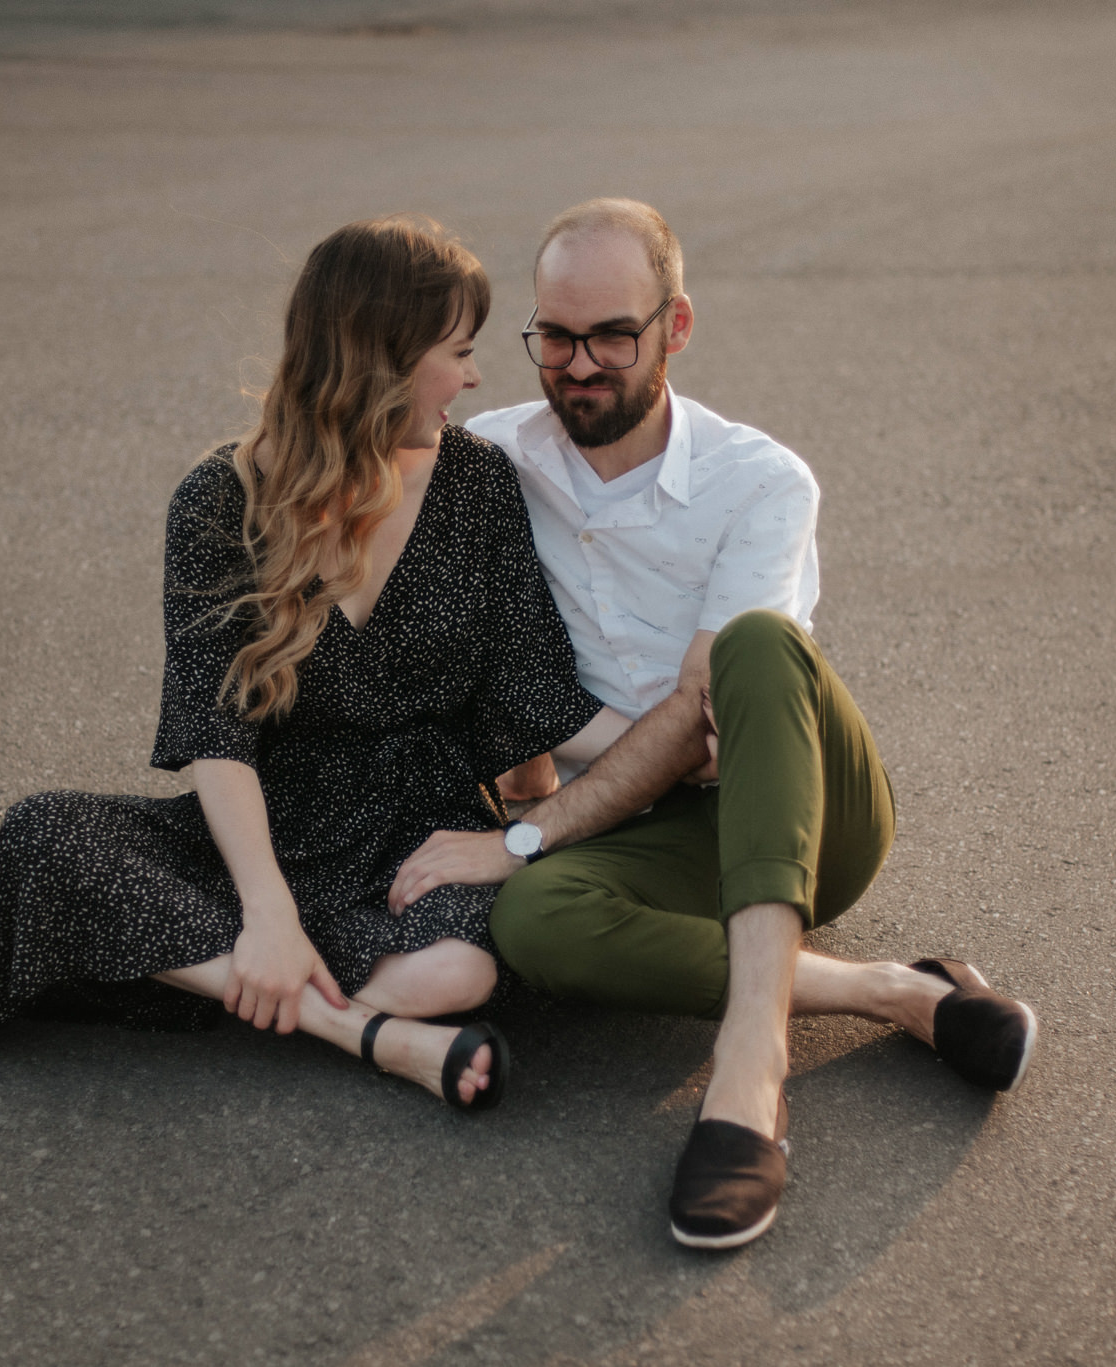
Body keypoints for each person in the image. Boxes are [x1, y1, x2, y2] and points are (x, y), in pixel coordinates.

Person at [389, 199, 1037, 1242]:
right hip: (649, 833)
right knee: (532, 919)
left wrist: (524, 834)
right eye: (553, 336)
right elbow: (473, 655)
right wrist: (523, 809)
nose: (578, 363)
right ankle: (892, 992)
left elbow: (703, 721)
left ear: (674, 328)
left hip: (797, 807)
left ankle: (749, 1074)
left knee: (751, 646)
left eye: (612, 334)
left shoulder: (759, 481)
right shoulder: (490, 459)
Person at [0, 215, 636, 1110]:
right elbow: (215, 727)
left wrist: (676, 745)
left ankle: (246, 980)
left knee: (459, 970)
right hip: (267, 827)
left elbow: (531, 688)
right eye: (459, 351)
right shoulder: (221, 498)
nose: (475, 377)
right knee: (41, 836)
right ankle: (370, 1035)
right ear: (382, 359)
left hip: (421, 836)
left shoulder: (478, 483)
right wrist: (267, 909)